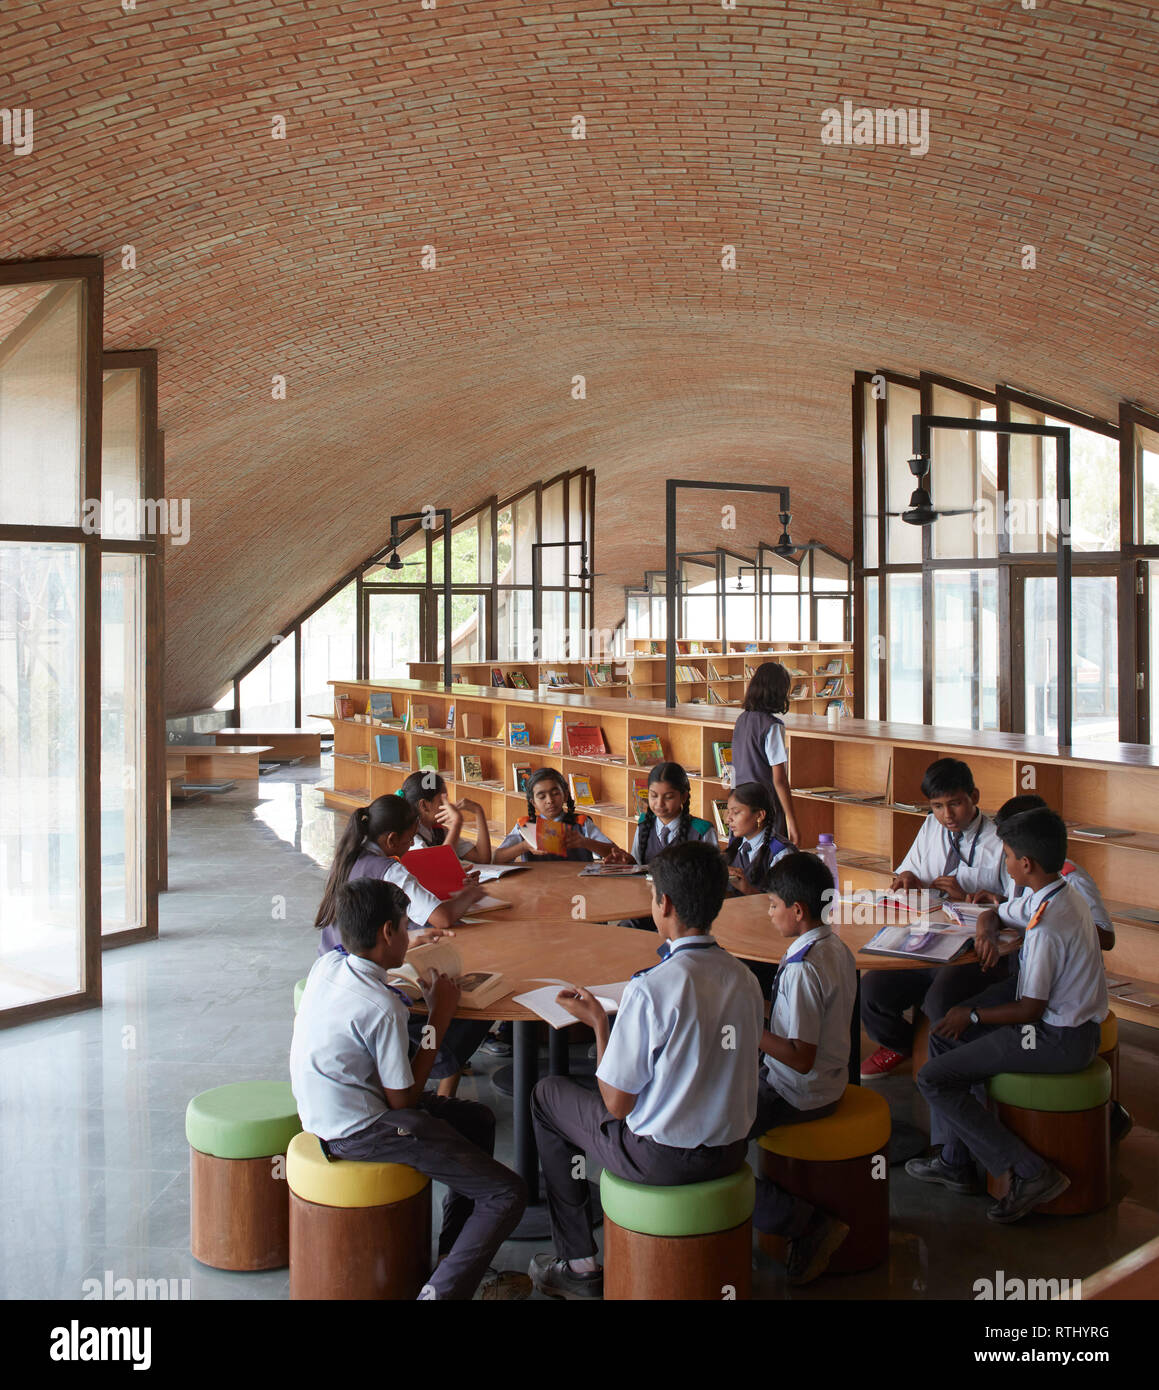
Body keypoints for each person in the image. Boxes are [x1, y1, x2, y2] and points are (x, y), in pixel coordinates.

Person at [527, 840, 763, 1300]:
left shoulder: (651, 988)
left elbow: (616, 1104)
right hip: (732, 1149)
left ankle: (578, 1262)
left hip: (660, 1160)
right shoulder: (745, 979)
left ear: (665, 905)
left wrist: (600, 1025)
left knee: (547, 1096)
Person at [291, 878, 528, 1299]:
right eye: (404, 927)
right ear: (386, 932)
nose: (408, 935)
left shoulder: (327, 965)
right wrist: (439, 1016)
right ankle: (440, 1292)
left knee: (477, 1119)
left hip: (326, 1110)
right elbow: (405, 1100)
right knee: (507, 1192)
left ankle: (451, 1255)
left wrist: (409, 952)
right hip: (362, 1131)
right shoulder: (381, 1007)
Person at [907, 807, 1107, 1223]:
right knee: (944, 1035)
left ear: (1026, 864)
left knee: (933, 1076)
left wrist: (973, 1015)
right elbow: (994, 912)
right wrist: (985, 925)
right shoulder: (1053, 894)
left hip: (1057, 1040)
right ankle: (955, 1162)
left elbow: (1029, 1009)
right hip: (1054, 1026)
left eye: (1009, 857)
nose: (1006, 863)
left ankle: (1031, 1172)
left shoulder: (1050, 924)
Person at [313, 795, 490, 1096]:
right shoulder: (388, 870)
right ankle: (439, 1068)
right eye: (409, 840)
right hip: (361, 984)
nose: (411, 847)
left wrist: (409, 942)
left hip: (335, 972)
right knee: (461, 1000)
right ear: (392, 839)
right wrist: (470, 896)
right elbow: (442, 917)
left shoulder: (348, 857)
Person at [860, 758, 1009, 1078]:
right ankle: (902, 1047)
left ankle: (946, 1066)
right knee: (871, 990)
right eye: (938, 806)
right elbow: (908, 869)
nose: (947, 815)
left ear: (975, 797)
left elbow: (1013, 904)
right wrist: (909, 879)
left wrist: (964, 897)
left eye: (955, 804)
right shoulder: (931, 826)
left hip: (970, 947)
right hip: (926, 935)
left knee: (939, 1001)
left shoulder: (1000, 838)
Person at [749, 852, 857, 1284]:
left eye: (773, 905)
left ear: (798, 911)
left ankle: (805, 1224)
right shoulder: (835, 948)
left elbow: (800, 1055)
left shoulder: (802, 969)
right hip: (828, 1083)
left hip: (797, 1092)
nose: (770, 913)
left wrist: (747, 1025)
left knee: (708, 1144)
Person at [492, 768, 633, 865]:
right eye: (542, 796)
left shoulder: (580, 823)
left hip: (578, 886)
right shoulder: (526, 825)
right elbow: (496, 859)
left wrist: (585, 842)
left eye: (555, 793)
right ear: (533, 802)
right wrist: (524, 846)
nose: (550, 800)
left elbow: (615, 852)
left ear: (565, 795)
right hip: (537, 887)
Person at [730, 661, 798, 844]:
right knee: (770, 859)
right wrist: (791, 820)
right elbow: (779, 779)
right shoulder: (772, 726)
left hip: (738, 802)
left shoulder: (741, 720)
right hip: (763, 806)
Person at [399, 770, 492, 864]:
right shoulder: (411, 839)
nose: (449, 805)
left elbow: (482, 858)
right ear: (424, 805)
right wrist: (456, 824)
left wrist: (478, 811)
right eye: (443, 800)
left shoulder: (438, 831)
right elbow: (438, 867)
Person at [725, 781, 794, 896]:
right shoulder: (735, 843)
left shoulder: (780, 853)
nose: (728, 819)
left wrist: (748, 890)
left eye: (736, 812)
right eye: (728, 812)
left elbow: (785, 904)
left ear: (760, 815)